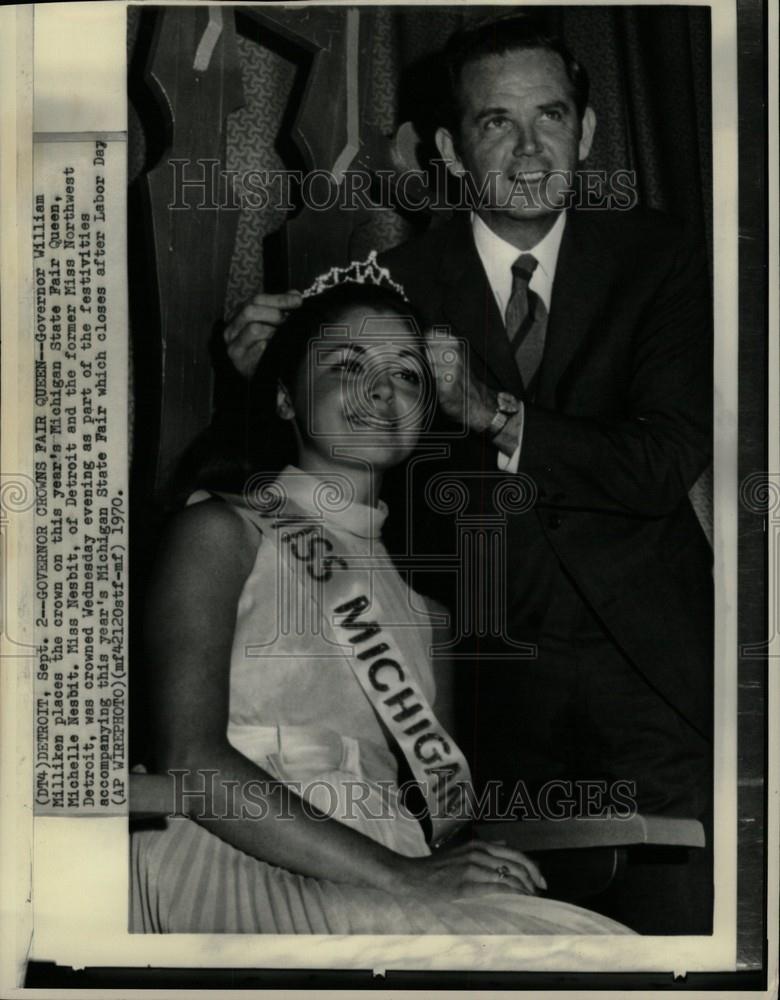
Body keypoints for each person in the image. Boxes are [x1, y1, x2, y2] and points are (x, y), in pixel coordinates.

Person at [223, 16, 713, 934]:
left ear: (589, 133)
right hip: (480, 702)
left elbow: (660, 463)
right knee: (521, 955)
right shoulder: (385, 283)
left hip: (654, 679)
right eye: (496, 123)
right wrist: (253, 380)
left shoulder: (665, 259)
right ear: (450, 147)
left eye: (552, 117)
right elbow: (317, 477)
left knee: (678, 946)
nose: (531, 150)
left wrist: (499, 414)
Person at [131, 275, 631, 935]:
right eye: (346, 366)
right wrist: (406, 876)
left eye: (407, 375)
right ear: (285, 399)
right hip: (238, 854)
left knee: (597, 949)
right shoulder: (223, 533)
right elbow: (190, 762)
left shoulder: (427, 615)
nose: (381, 389)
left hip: (395, 862)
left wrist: (462, 861)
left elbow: (445, 821)